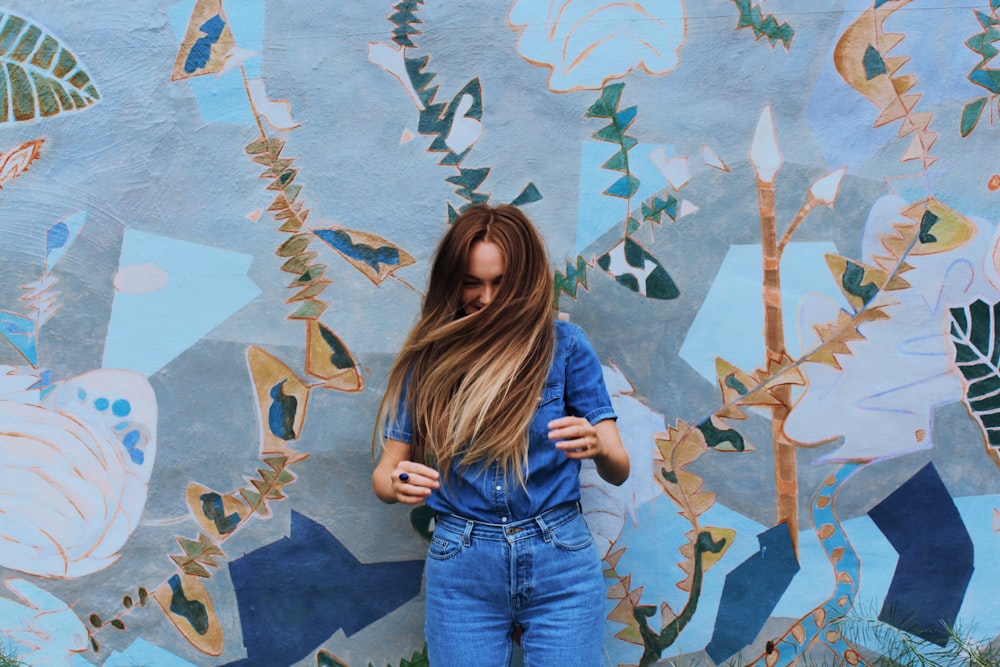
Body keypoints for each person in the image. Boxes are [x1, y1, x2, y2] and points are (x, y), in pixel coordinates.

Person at [372, 203, 629, 667]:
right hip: (463, 566)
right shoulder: (430, 358)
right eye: (472, 282)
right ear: (453, 281)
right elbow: (386, 476)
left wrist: (597, 445)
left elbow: (618, 467)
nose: (486, 299)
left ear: (525, 280)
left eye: (500, 283)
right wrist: (398, 483)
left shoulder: (565, 347)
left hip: (561, 562)